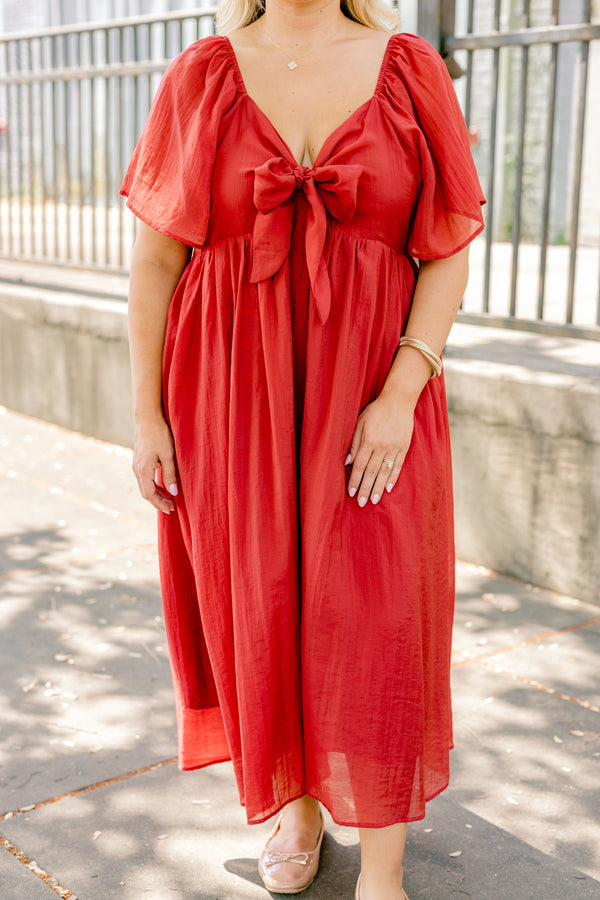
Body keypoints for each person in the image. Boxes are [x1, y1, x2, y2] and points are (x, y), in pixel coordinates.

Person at [121, 0, 485, 895]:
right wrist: (146, 417)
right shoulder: (203, 73)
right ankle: (299, 801)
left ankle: (384, 868)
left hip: (371, 387)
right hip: (229, 390)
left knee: (381, 606)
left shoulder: (408, 67)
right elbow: (157, 262)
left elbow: (446, 247)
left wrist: (403, 389)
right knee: (266, 599)